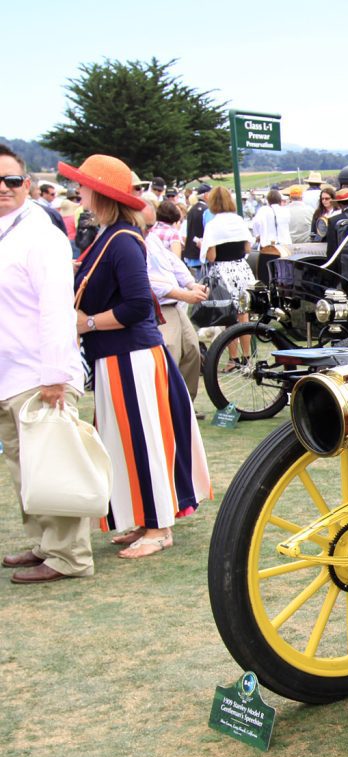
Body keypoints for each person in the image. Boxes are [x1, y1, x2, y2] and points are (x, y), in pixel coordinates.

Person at [58, 153, 211, 556]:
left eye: (83, 185)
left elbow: (138, 305)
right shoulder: (113, 235)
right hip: (120, 357)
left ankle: (158, 527)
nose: (78, 191)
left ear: (100, 193)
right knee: (127, 443)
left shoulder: (121, 239)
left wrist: (88, 323)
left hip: (131, 357)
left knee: (143, 442)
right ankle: (147, 519)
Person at [0, 145, 92, 583]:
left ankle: (69, 555)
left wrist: (54, 375)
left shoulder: (41, 235)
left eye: (11, 180)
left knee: (52, 466)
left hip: (39, 374)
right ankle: (44, 544)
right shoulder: (8, 233)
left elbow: (57, 309)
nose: (4, 188)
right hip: (9, 373)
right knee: (24, 469)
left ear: (27, 185)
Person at [145, 200, 207, 403]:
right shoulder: (131, 240)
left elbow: (172, 261)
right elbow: (146, 281)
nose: (151, 228)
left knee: (192, 350)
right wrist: (183, 293)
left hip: (172, 304)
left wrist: (191, 284)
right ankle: (169, 407)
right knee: (169, 355)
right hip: (160, 307)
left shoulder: (151, 237)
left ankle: (184, 405)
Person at [201, 186, 256, 364]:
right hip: (241, 268)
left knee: (228, 317)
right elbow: (248, 248)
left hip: (223, 271)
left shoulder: (212, 225)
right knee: (243, 314)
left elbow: (211, 256)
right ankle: (247, 356)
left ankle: (233, 359)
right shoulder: (239, 221)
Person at [250, 188, 291, 285]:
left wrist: (258, 235)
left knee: (267, 276)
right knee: (284, 276)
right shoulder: (285, 211)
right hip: (285, 248)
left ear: (268, 200)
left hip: (268, 248)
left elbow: (255, 224)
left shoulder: (263, 210)